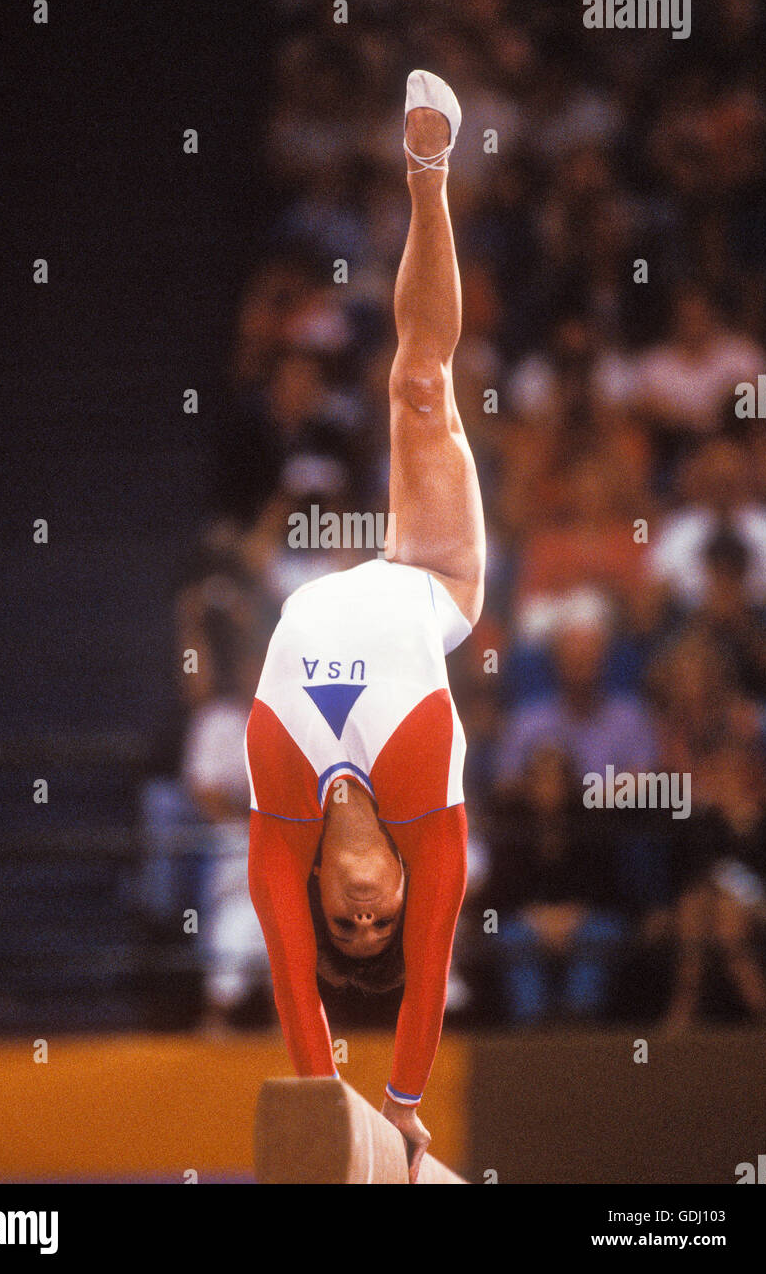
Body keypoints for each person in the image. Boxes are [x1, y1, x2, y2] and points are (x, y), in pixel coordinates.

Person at [246, 71, 485, 1181]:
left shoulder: (278, 816)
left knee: (408, 392)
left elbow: (294, 988)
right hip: (433, 580)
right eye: (373, 923)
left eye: (347, 926)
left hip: (350, 602)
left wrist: (340, 1101)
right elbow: (431, 966)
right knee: (421, 385)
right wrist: (397, 1107)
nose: (361, 915)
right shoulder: (430, 815)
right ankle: (429, 174)